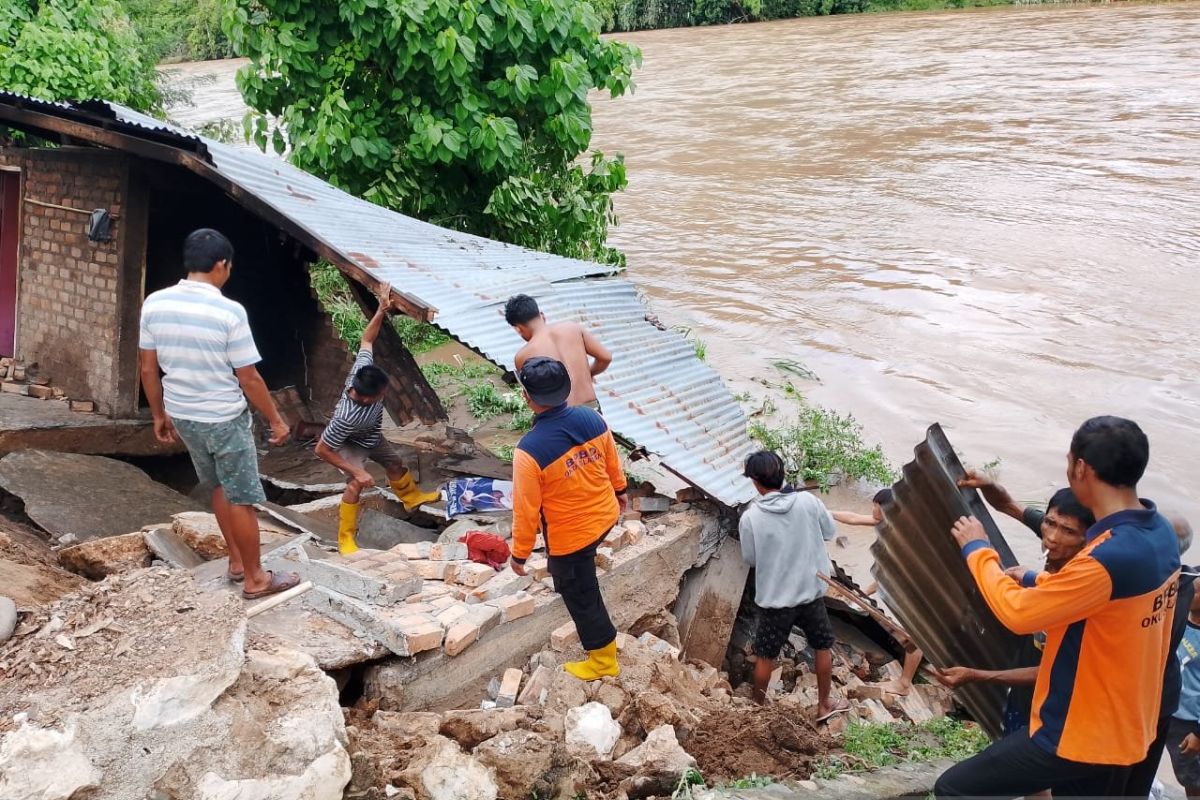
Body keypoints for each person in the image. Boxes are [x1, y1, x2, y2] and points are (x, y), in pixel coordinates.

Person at [934, 416, 1180, 799]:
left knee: (954, 788)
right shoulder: (1158, 533)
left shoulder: (1109, 557)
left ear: (1081, 468)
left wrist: (978, 549)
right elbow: (1103, 596)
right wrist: (1035, 577)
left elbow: (1018, 613)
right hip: (1127, 728)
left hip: (1077, 732)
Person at [138, 228, 298, 599]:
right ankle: (257, 579)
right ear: (222, 265)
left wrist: (158, 415)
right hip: (222, 417)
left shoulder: (155, 303)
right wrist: (276, 419)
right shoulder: (229, 311)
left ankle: (237, 562)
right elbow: (249, 376)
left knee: (218, 486)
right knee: (240, 495)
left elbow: (148, 369)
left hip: (183, 414)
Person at [934, 487, 1092, 737]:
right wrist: (988, 486)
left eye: (1068, 531)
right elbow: (1009, 504)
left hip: (1052, 715)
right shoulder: (1059, 547)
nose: (1051, 537)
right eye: (1049, 523)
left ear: (1089, 541)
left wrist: (978, 675)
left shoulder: (1079, 592)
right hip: (1020, 699)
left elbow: (1050, 670)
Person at [507, 357, 627, 680]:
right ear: (566, 389)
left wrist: (519, 553)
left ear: (527, 398)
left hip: (572, 538)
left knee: (579, 591)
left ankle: (603, 660)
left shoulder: (528, 451)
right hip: (606, 514)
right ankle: (602, 650)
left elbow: (526, 510)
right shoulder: (592, 418)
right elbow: (612, 461)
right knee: (579, 578)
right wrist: (621, 490)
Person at [314, 283, 441, 555]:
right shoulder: (344, 417)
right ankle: (346, 537)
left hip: (371, 434)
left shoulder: (363, 370)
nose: (386, 394)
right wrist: (356, 470)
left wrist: (382, 309)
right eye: (382, 394)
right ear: (367, 397)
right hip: (348, 443)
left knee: (395, 463)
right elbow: (321, 449)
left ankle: (410, 498)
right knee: (356, 483)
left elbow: (367, 340)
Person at [740, 450, 849, 721]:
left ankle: (758, 712)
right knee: (823, 647)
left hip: (776, 600)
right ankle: (824, 704)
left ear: (755, 482)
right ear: (783, 474)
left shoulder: (750, 518)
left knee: (766, 656)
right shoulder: (808, 502)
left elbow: (751, 558)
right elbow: (829, 532)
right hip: (811, 593)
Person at [1107, 513, 1196, 798]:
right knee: (1141, 769)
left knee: (1189, 780)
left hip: (1167, 713)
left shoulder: (1164, 586)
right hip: (1162, 704)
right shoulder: (1181, 585)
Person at [504, 294, 612, 410]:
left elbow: (535, 397)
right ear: (542, 315)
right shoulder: (573, 328)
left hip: (562, 416)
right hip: (591, 410)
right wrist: (588, 373)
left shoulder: (523, 356)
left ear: (518, 329)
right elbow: (605, 357)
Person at [1167, 573, 1200, 799]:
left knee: (1194, 779)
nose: (1190, 594)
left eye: (1196, 592)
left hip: (1190, 723)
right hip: (1169, 710)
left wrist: (1198, 733)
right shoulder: (1178, 617)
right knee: (1184, 773)